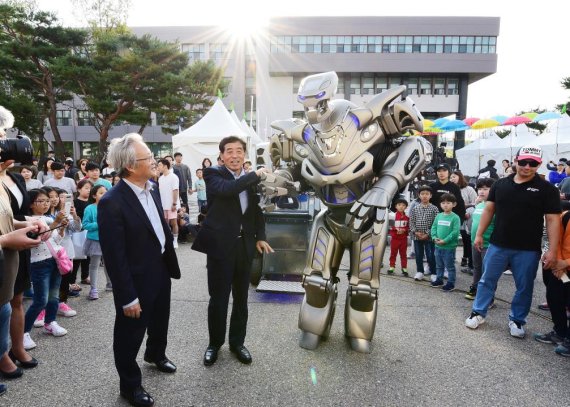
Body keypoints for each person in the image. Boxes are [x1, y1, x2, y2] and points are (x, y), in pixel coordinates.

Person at [98, 133, 180, 407]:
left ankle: (155, 354)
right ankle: (130, 387)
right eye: (149, 158)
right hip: (135, 278)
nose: (156, 162)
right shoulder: (112, 202)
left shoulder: (152, 187)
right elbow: (114, 256)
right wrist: (127, 296)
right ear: (131, 166)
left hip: (159, 268)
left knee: (160, 319)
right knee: (129, 334)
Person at [192, 135, 273, 367]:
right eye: (230, 151)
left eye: (239, 151)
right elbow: (228, 190)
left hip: (244, 246)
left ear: (244, 154)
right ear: (221, 156)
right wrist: (253, 174)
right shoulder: (213, 174)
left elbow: (257, 212)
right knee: (218, 299)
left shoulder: (251, 180)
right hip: (220, 247)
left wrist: (260, 237)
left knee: (241, 298)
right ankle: (214, 344)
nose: (235, 155)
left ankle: (237, 343)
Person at [465, 145, 561, 338]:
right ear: (516, 160)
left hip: (528, 249)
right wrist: (478, 235)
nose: (527, 166)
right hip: (498, 244)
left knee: (525, 287)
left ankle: (517, 320)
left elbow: (553, 220)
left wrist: (553, 249)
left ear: (539, 164)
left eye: (533, 163)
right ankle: (478, 312)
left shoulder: (547, 189)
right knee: (486, 281)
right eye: (523, 161)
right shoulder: (500, 185)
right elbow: (489, 210)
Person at [24, 189, 70, 346]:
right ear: (30, 204)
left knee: (53, 296)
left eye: (46, 201)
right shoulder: (28, 220)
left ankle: (50, 322)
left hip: (55, 260)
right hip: (39, 263)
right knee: (40, 299)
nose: (45, 204)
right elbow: (40, 238)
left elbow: (56, 240)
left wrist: (61, 227)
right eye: (41, 201)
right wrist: (57, 222)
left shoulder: (48, 218)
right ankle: (23, 332)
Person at [533, 210, 570, 357]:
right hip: (561, 268)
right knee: (553, 297)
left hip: (565, 264)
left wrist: (565, 263)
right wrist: (558, 264)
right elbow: (558, 240)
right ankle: (560, 332)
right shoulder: (565, 215)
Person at [465, 178, 496, 301]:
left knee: (488, 272)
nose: (481, 192)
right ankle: (476, 288)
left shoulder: (495, 206)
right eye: (480, 189)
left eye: (485, 189)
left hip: (488, 244)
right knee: (477, 268)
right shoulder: (479, 205)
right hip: (475, 242)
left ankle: (489, 297)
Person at [82, 185, 111, 300]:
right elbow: (85, 225)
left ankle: (110, 284)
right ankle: (93, 289)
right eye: (101, 193)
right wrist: (99, 223)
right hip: (95, 240)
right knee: (94, 265)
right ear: (94, 195)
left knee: (109, 264)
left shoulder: (111, 206)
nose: (104, 195)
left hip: (109, 239)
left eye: (106, 192)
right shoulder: (90, 208)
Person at [430, 193, 461, 291]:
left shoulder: (455, 217)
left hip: (449, 247)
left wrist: (445, 240)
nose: (445, 205)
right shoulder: (439, 216)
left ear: (454, 204)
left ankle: (451, 283)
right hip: (438, 246)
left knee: (450, 267)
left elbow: (455, 232)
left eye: (448, 203)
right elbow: (434, 227)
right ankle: (439, 280)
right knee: (439, 265)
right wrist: (434, 237)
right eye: (443, 203)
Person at [410, 185, 439, 281]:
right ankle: (420, 272)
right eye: (422, 194)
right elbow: (412, 221)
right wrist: (415, 232)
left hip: (429, 237)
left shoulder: (434, 208)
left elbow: (435, 223)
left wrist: (427, 233)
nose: (425, 196)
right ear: (419, 195)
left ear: (431, 195)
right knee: (418, 255)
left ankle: (434, 272)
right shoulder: (415, 208)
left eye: (427, 194)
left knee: (430, 255)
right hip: (417, 237)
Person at [450, 170, 477, 273]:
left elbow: (475, 202)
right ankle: (463, 259)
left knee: (468, 239)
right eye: (451, 177)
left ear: (460, 177)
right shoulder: (450, 189)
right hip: (456, 218)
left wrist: (466, 208)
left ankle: (470, 263)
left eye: (454, 177)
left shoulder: (469, 189)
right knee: (462, 239)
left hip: (468, 217)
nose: (452, 179)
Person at [157, 159, 180, 248]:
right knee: (165, 224)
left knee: (174, 223)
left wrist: (174, 204)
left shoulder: (173, 177)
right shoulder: (160, 178)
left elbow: (175, 190)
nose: (158, 167)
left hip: (171, 205)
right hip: (163, 205)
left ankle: (175, 241)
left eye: (159, 165)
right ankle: (168, 240)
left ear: (165, 166)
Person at [388, 198, 409, 276]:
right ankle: (392, 266)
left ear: (406, 207)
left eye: (403, 205)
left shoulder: (407, 216)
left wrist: (404, 230)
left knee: (403, 254)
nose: (401, 207)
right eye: (399, 205)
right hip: (395, 239)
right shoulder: (392, 216)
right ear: (396, 206)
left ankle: (404, 268)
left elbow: (408, 227)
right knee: (393, 253)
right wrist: (395, 229)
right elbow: (389, 226)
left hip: (403, 239)